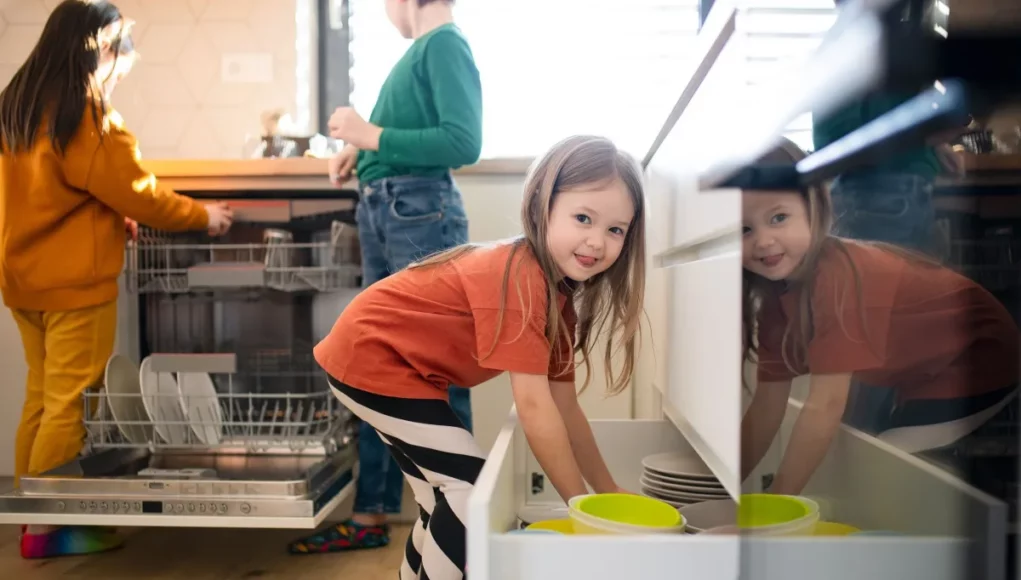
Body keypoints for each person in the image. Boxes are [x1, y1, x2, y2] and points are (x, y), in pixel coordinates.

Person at [311, 135, 645, 579]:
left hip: (394, 367)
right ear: (543, 208)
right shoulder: (521, 277)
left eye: (615, 229)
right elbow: (534, 406)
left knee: (441, 501)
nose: (597, 242)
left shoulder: (558, 301)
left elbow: (565, 407)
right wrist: (578, 504)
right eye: (583, 217)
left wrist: (605, 492)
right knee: (467, 489)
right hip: (372, 357)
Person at [0, 0, 233, 559]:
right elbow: (140, 192)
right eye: (116, 58)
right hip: (77, 284)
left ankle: (30, 520)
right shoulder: (82, 112)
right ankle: (51, 529)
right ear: (99, 45)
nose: (116, 70)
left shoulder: (19, 104)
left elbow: (59, 193)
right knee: (70, 404)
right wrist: (207, 217)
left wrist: (104, 216)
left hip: (24, 277)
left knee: (41, 397)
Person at [289, 0, 482, 554]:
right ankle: (376, 511)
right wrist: (362, 154)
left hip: (415, 209)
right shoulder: (423, 53)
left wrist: (370, 135)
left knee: (432, 366)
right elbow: (414, 138)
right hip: (393, 206)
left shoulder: (444, 44)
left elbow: (463, 141)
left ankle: (456, 515)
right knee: (382, 365)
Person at [738, 145, 1019, 496]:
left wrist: (778, 502)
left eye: (779, 218)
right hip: (920, 369)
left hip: (979, 355)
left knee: (889, 473)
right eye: (744, 229)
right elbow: (767, 406)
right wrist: (716, 490)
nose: (763, 241)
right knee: (881, 462)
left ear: (814, 210)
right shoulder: (774, 297)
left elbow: (825, 404)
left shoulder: (836, 277)